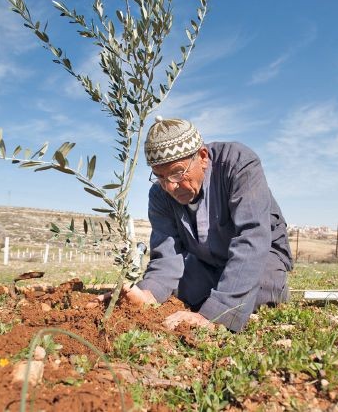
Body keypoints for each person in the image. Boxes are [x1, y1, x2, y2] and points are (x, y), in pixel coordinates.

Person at [103, 117, 293, 332]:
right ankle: (220, 292)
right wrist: (146, 294)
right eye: (160, 176)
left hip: (262, 256)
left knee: (261, 286)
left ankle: (252, 295)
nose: (170, 187)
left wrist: (214, 316)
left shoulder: (240, 164)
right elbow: (167, 257)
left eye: (177, 172)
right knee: (177, 290)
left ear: (202, 157)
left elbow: (253, 237)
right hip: (206, 262)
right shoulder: (159, 194)